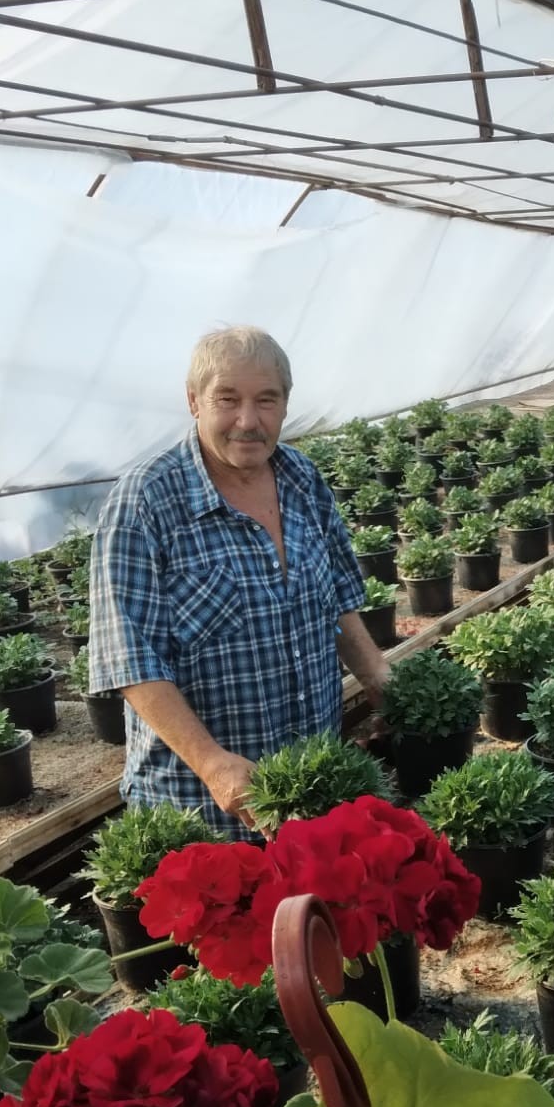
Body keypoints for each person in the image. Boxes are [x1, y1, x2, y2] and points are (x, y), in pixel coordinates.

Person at [89, 326, 389, 836]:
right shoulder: (145, 502)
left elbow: (338, 601)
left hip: (312, 788)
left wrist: (380, 681)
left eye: (266, 400)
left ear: (285, 404)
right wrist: (212, 763)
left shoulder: (301, 479)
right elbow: (130, 659)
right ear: (194, 401)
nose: (248, 421)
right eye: (227, 399)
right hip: (202, 807)